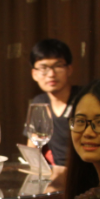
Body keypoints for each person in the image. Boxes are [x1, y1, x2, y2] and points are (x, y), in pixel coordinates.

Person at [27, 38, 82, 168]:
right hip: (54, 171)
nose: (51, 74)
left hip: (84, 170)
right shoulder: (39, 103)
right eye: (43, 68)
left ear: (69, 69)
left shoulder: (84, 98)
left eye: (58, 66)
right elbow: (32, 148)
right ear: (34, 74)